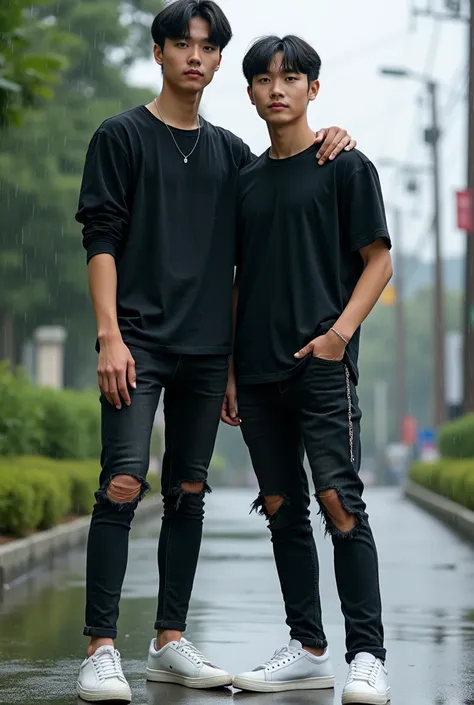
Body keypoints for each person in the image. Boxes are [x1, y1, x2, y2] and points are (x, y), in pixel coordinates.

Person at [74, 1, 357, 702]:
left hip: (206, 352)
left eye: (207, 47)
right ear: (160, 52)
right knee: (123, 480)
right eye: (181, 44)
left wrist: (336, 136)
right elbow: (101, 241)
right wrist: (109, 334)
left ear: (220, 61)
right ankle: (100, 648)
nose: (194, 56)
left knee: (188, 492)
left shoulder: (233, 153)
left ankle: (169, 640)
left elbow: (255, 237)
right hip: (135, 343)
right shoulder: (120, 136)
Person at [222, 35, 393, 705]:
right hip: (258, 370)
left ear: (313, 89)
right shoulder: (246, 180)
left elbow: (378, 261)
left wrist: (338, 335)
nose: (277, 89)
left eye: (291, 78)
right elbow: (238, 280)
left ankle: (368, 654)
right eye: (264, 80)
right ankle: (307, 646)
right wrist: (234, 368)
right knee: (280, 506)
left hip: (321, 365)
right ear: (252, 94)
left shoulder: (345, 167)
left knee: (338, 501)